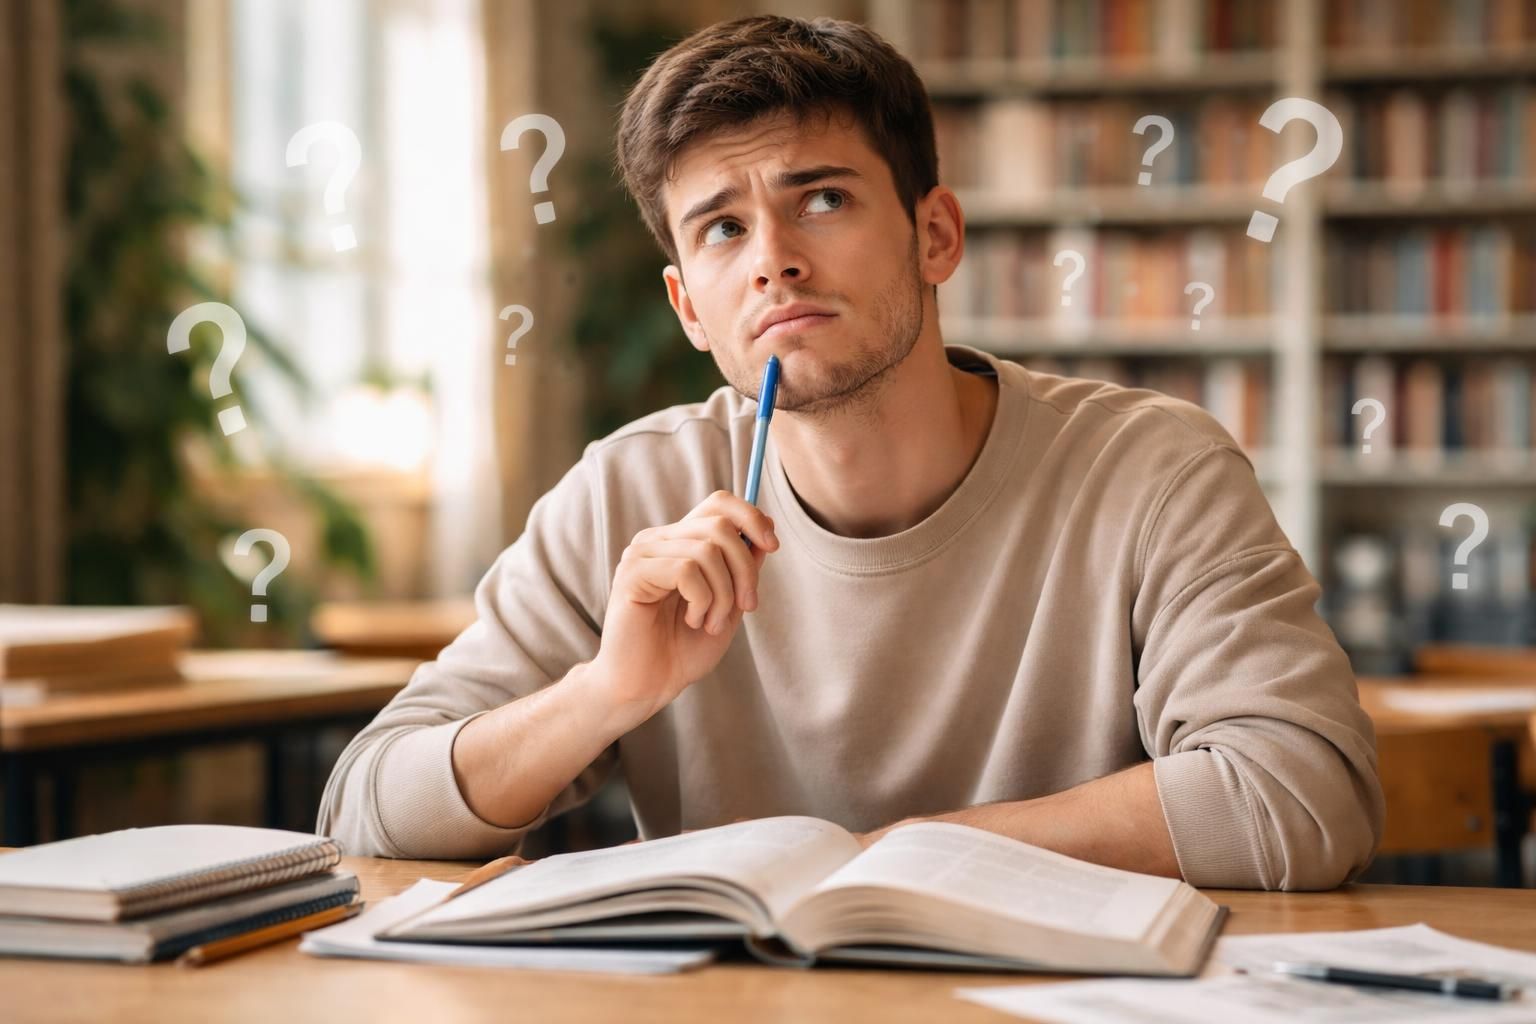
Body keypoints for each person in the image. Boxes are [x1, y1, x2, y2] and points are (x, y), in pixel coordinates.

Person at [317, 14, 1382, 890]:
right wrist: (602, 691)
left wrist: (899, 859)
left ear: (935, 236)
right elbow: (366, 803)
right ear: (691, 307)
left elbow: (1301, 790)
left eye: (821, 199)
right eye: (723, 229)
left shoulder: (1153, 471)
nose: (774, 261)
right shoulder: (627, 491)